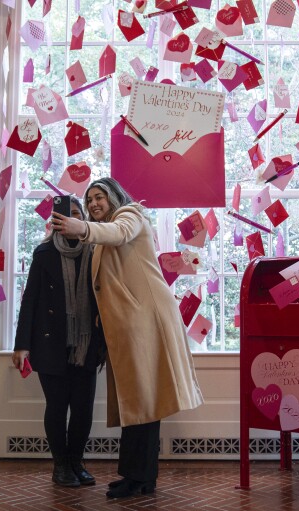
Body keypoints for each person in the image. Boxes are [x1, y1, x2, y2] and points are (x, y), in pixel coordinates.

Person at [53, 177, 204, 499]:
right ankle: (137, 476)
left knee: (144, 401)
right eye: (89, 199)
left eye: (99, 197)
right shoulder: (99, 237)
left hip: (145, 321)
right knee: (138, 402)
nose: (93, 204)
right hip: (128, 326)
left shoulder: (132, 215)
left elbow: (118, 233)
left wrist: (81, 228)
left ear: (114, 197)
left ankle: (140, 478)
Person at [12, 195, 105, 488]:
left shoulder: (96, 252)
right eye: (65, 215)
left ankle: (76, 462)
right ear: (55, 221)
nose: (71, 219)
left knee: (83, 409)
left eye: (77, 214)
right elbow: (29, 300)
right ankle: (60, 465)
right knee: (56, 406)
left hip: (87, 344)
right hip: (51, 342)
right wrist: (21, 344)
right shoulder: (43, 253)